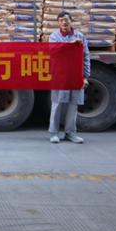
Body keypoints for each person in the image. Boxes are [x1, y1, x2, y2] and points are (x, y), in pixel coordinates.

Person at [48, 12, 90, 144]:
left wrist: (85, 77)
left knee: (73, 104)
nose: (64, 22)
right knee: (57, 103)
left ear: (71, 21)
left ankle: (70, 132)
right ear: (58, 23)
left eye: (66, 20)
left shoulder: (80, 36)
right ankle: (54, 132)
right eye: (61, 20)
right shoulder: (54, 36)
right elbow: (54, 51)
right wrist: (71, 44)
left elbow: (86, 57)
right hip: (60, 75)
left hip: (76, 75)